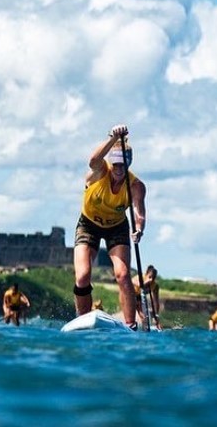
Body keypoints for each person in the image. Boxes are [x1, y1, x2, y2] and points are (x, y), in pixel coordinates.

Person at [73, 124, 147, 330]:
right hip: (89, 224)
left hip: (117, 227)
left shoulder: (135, 186)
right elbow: (92, 160)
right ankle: (82, 320)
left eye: (122, 166)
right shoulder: (100, 171)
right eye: (115, 165)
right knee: (82, 276)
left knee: (123, 275)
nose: (118, 170)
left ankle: (131, 325)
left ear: (128, 165)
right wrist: (112, 138)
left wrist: (139, 229)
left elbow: (139, 213)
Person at [134, 264, 162, 330]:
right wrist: (146, 282)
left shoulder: (155, 286)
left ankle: (145, 329)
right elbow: (137, 284)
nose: (151, 280)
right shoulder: (140, 277)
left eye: (153, 278)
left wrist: (156, 315)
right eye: (150, 277)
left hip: (139, 297)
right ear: (146, 274)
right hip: (130, 296)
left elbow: (156, 302)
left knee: (144, 317)